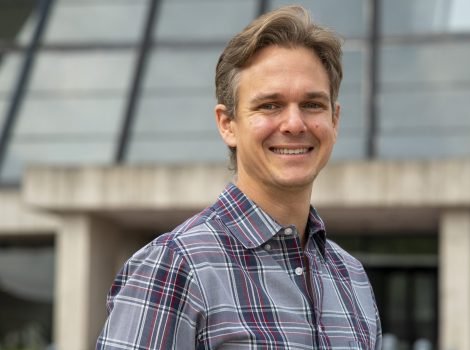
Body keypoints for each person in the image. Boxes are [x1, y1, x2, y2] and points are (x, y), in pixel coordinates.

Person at [96, 5, 381, 350]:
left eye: (312, 104)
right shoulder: (174, 267)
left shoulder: (351, 278)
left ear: (334, 120)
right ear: (227, 124)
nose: (294, 124)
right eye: (270, 105)